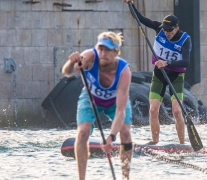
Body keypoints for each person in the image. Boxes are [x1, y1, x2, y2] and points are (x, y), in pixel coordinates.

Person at [62, 31, 133, 180]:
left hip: (115, 103)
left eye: (107, 50)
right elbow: (67, 72)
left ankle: (125, 177)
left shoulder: (124, 71)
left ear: (116, 52)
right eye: (101, 48)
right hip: (90, 98)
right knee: (82, 133)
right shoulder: (89, 56)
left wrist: (111, 137)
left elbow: (120, 112)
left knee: (125, 132)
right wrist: (71, 62)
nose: (103, 53)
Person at [123, 0, 192, 145]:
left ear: (177, 27)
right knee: (153, 110)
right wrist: (130, 4)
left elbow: (186, 61)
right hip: (159, 75)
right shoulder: (159, 28)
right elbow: (140, 18)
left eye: (170, 30)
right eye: (166, 30)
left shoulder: (185, 39)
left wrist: (168, 62)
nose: (167, 33)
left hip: (176, 77)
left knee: (177, 111)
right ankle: (155, 142)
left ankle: (181, 143)